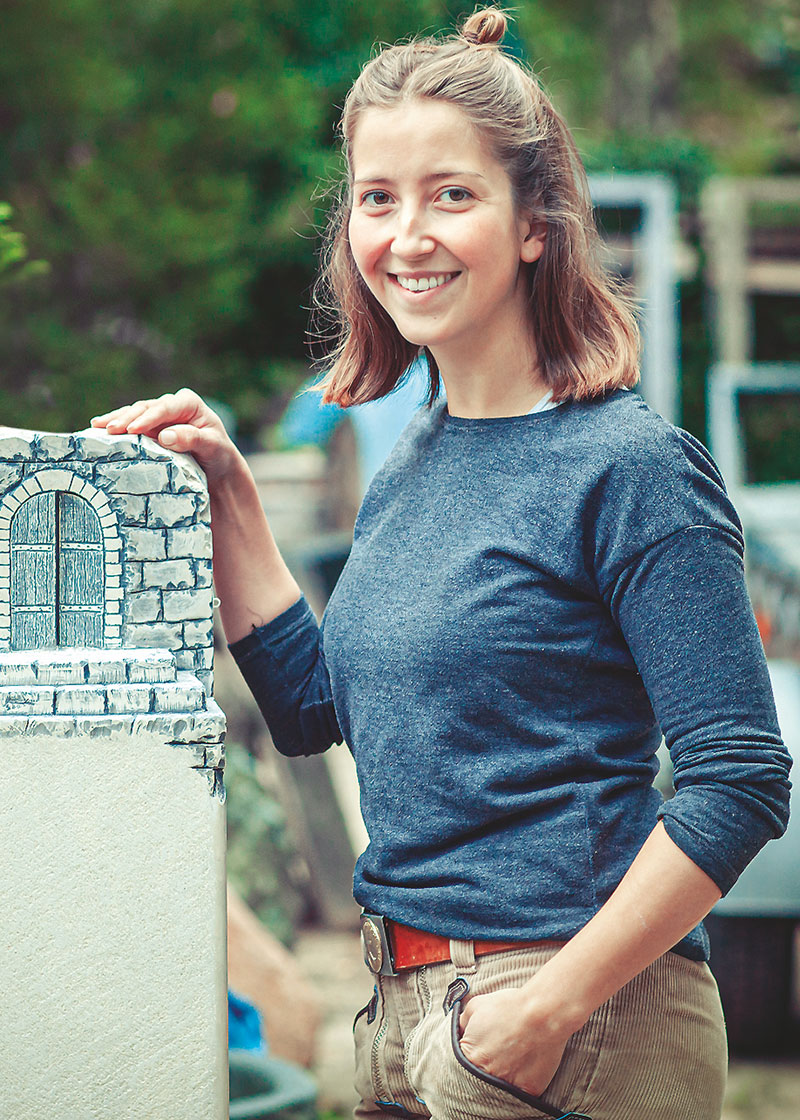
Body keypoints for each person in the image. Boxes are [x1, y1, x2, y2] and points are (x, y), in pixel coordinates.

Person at [92, 8, 792, 1118]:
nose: (405, 234)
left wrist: (544, 1009)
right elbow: (319, 709)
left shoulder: (632, 467)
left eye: (450, 194)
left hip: (570, 1019)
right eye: (378, 197)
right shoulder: (420, 456)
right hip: (401, 1011)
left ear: (532, 225)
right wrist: (227, 494)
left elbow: (740, 779)